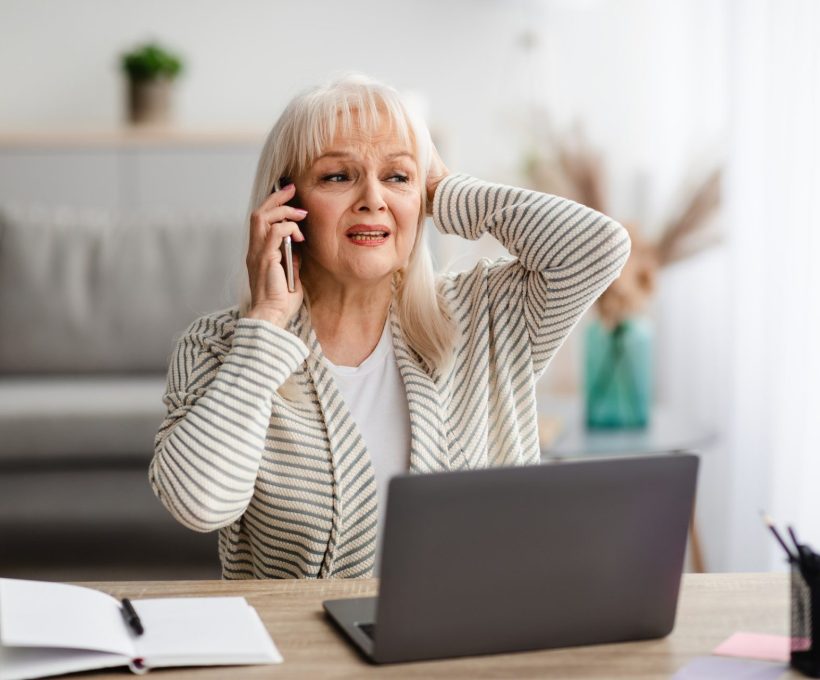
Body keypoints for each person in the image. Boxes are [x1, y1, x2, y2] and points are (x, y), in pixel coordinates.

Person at [149, 74, 631, 579]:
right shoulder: (220, 347)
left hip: (470, 645)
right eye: (338, 176)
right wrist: (267, 323)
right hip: (302, 654)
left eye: (397, 178)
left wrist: (444, 189)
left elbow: (599, 248)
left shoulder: (486, 313)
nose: (373, 199)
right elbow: (199, 504)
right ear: (286, 207)